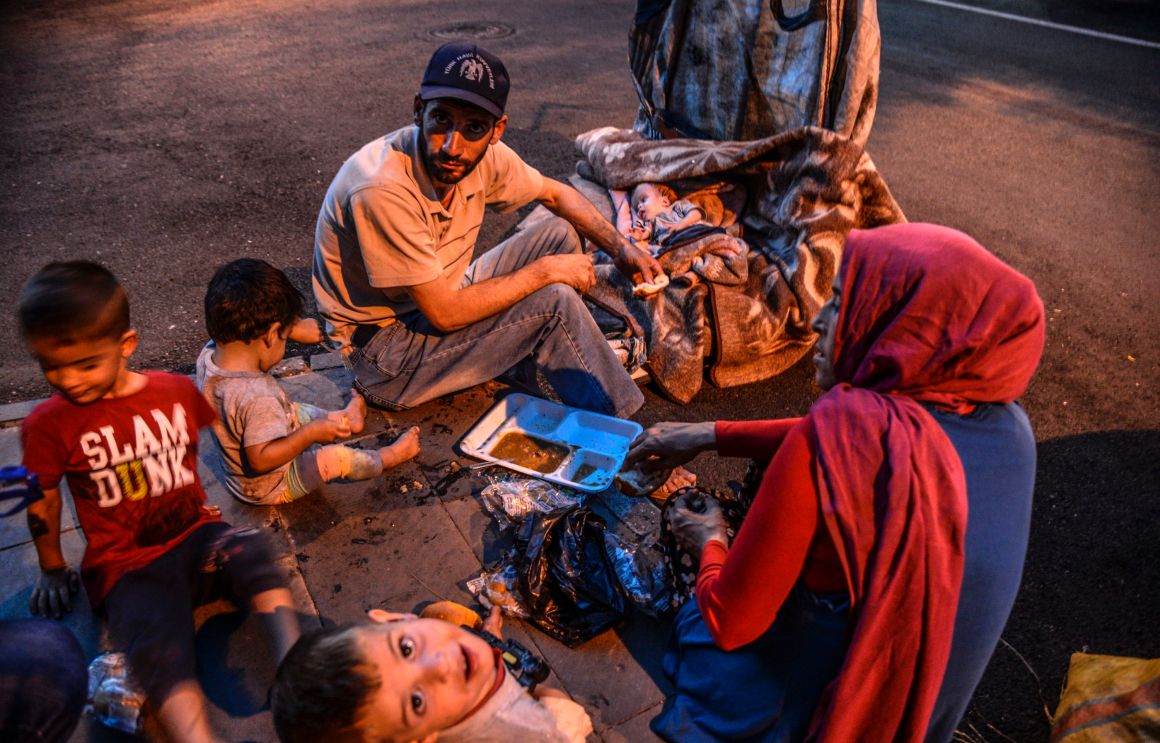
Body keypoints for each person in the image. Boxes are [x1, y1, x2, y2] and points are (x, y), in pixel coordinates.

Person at [624, 223, 1046, 742]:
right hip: (917, 712)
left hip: (824, 705)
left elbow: (732, 621)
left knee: (699, 629)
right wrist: (708, 433)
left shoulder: (836, 434)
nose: (818, 323)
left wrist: (710, 539)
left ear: (903, 324)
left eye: (843, 302)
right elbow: (858, 441)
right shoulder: (1008, 428)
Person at [17, 261, 301, 743]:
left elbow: (180, 463)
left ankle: (298, 670)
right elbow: (42, 499)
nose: (66, 380)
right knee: (160, 649)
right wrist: (50, 567)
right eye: (50, 366)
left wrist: (198, 512)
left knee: (252, 550)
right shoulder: (47, 424)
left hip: (194, 537)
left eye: (86, 364)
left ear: (126, 346)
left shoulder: (173, 393)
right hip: (127, 566)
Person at [312, 42, 661, 417]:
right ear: (419, 111)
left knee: (558, 234)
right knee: (554, 300)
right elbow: (444, 315)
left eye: (473, 128)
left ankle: (514, 354)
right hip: (383, 357)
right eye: (441, 120)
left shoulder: (484, 156)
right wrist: (546, 273)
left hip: (429, 301)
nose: (452, 146)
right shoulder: (381, 187)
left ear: (497, 130)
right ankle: (639, 445)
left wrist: (623, 249)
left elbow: (557, 195)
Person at [197, 258, 420, 506]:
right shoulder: (258, 397)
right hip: (271, 484)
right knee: (336, 458)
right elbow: (260, 459)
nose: (285, 341)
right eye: (283, 337)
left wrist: (290, 329)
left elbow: (243, 331)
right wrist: (309, 434)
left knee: (294, 411)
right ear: (270, 336)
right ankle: (385, 458)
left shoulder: (210, 355)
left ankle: (345, 419)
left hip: (238, 470)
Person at [270, 604, 592, 743]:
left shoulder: (452, 670)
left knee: (442, 619)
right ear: (422, 738)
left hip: (483, 675)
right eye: (416, 701)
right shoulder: (533, 733)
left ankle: (489, 637)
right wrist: (549, 698)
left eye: (406, 648)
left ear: (393, 618)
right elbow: (568, 724)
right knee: (563, 706)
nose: (440, 665)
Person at [617, 182, 707, 256]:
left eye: (643, 200)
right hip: (672, 246)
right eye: (636, 208)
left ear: (664, 201)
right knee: (658, 251)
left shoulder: (677, 206)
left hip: (691, 232)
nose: (639, 206)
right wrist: (639, 236)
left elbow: (697, 213)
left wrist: (682, 223)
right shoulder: (650, 224)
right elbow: (646, 234)